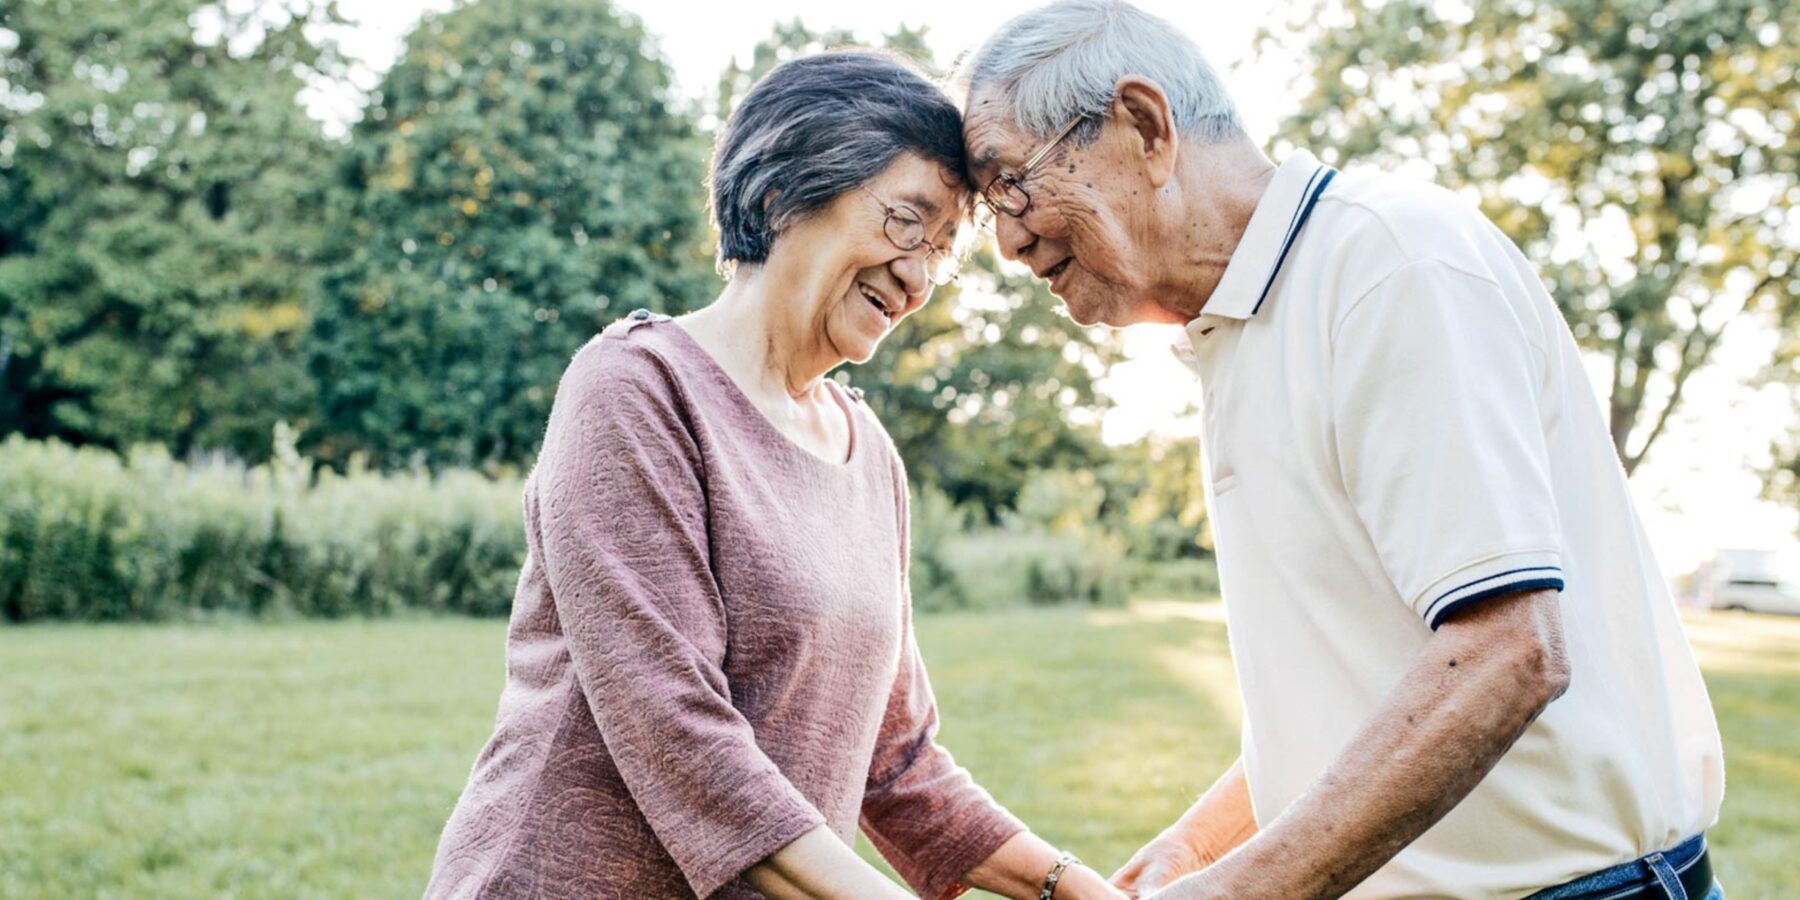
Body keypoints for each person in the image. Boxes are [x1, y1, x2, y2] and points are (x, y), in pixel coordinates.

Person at [959, 2, 1726, 898]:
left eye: (1012, 183)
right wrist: (1200, 846)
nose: (1009, 240)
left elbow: (1508, 653)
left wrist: (1242, 891)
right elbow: (1372, 687)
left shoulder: (1393, 269)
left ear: (1144, 125)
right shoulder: (1239, 331)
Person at [423, 50, 1124, 900]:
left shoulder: (870, 456)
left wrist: (1074, 887)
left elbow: (897, 765)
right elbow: (678, 735)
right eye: (907, 222)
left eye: (941, 251)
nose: (918, 278)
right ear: (780, 193)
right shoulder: (636, 389)